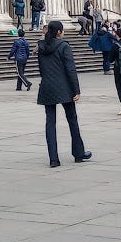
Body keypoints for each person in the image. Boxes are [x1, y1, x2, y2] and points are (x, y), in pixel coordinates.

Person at [36, 21, 91, 167]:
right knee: (72, 119)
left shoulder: (41, 47)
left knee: (50, 122)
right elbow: (70, 69)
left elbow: (41, 69)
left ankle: (53, 159)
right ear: (59, 32)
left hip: (47, 86)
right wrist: (76, 90)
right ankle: (79, 153)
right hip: (64, 87)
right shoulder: (64, 46)